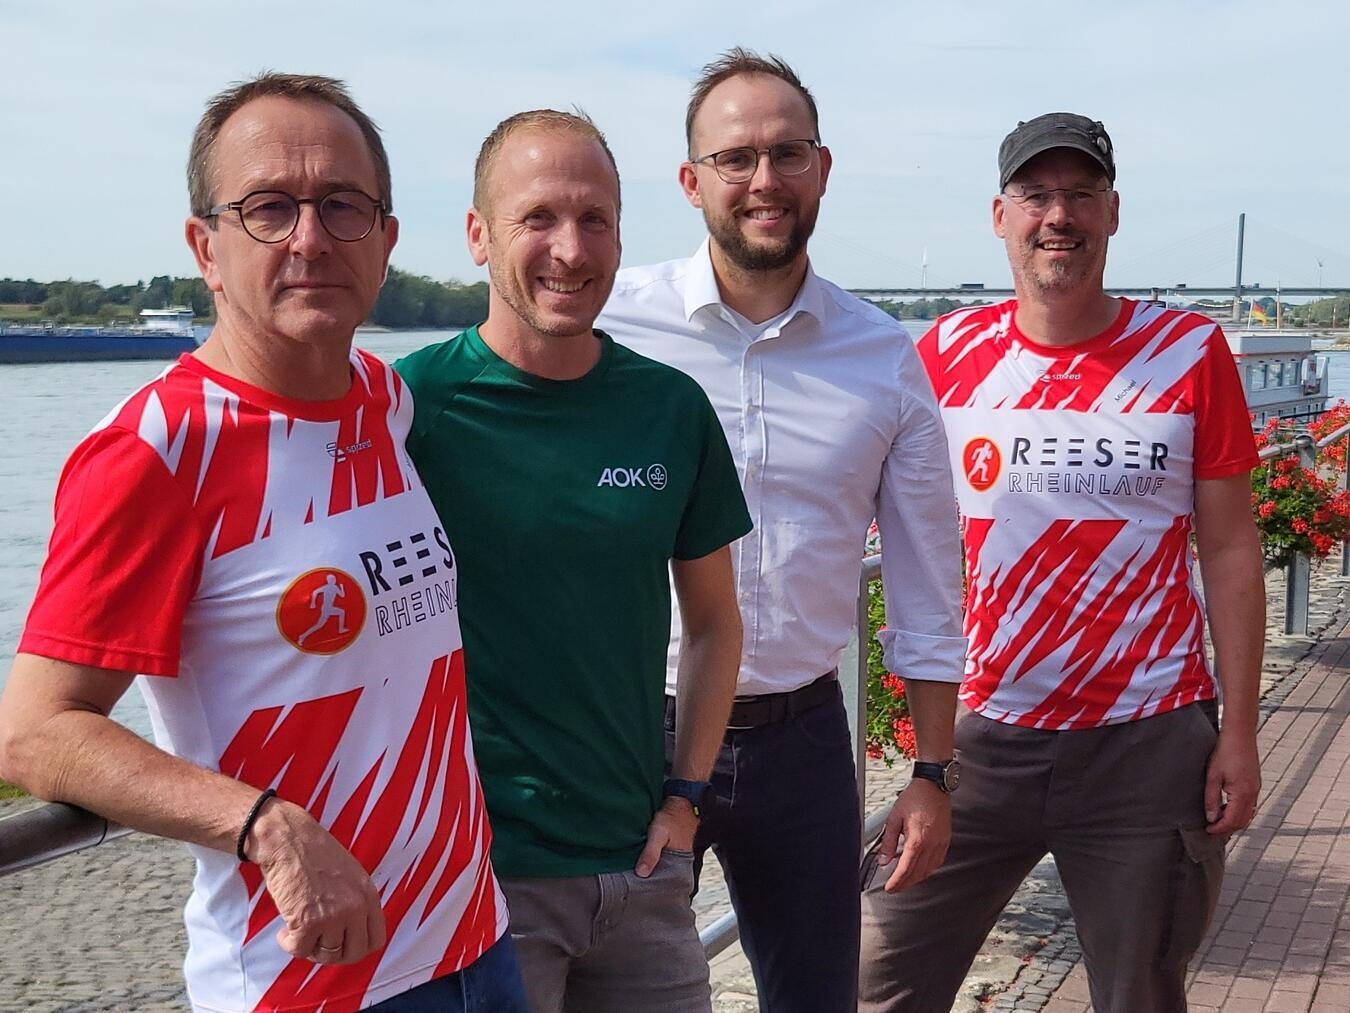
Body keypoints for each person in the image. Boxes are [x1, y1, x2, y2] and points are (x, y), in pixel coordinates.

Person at [0, 73, 527, 1013]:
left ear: (386, 240)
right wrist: (264, 826)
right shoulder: (158, 450)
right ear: (206, 247)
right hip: (307, 981)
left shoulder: (384, 398)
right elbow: (36, 732)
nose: (310, 238)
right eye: (269, 208)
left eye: (342, 206)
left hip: (476, 943)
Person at [858, 112, 1265, 1013]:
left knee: (1139, 992)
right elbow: (882, 517)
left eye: (1081, 194)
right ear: (999, 215)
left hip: (1147, 742)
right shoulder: (942, 355)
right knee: (876, 978)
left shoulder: (1189, 352)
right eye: (1036, 195)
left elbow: (1232, 548)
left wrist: (1238, 733)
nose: (1059, 216)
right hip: (979, 739)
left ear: (1112, 213)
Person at [598, 49, 967, 1012]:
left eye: (788, 153)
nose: (765, 179)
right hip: (637, 731)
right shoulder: (613, 328)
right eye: (736, 157)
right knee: (624, 995)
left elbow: (928, 578)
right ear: (692, 182)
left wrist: (931, 771)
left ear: (822, 169)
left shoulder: (882, 355)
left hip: (802, 741)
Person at [394, 109, 751, 1013]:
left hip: (642, 868)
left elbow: (715, 623)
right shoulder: (407, 410)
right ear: (478, 235)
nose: (571, 248)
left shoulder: (669, 408)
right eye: (538, 217)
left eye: (595, 219)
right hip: (483, 882)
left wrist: (685, 798)